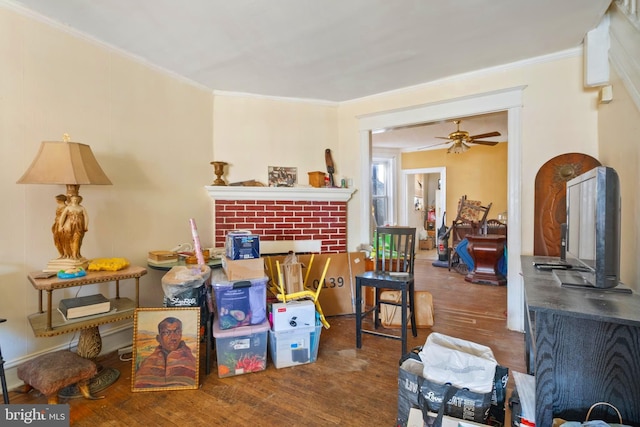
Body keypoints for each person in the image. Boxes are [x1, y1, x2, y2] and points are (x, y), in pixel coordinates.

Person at [134, 317, 197, 388]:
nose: (173, 337)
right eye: (167, 332)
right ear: (159, 338)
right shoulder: (147, 363)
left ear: (181, 335)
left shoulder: (191, 362)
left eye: (177, 332)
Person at [57, 194, 88, 259]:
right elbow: (63, 216)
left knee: (77, 239)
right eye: (73, 199)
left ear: (79, 200)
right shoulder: (68, 207)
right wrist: (60, 225)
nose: (75, 200)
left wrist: (86, 225)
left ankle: (75, 254)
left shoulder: (81, 208)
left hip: (78, 226)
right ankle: (68, 254)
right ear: (71, 200)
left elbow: (86, 216)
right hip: (68, 226)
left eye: (76, 199)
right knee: (68, 239)